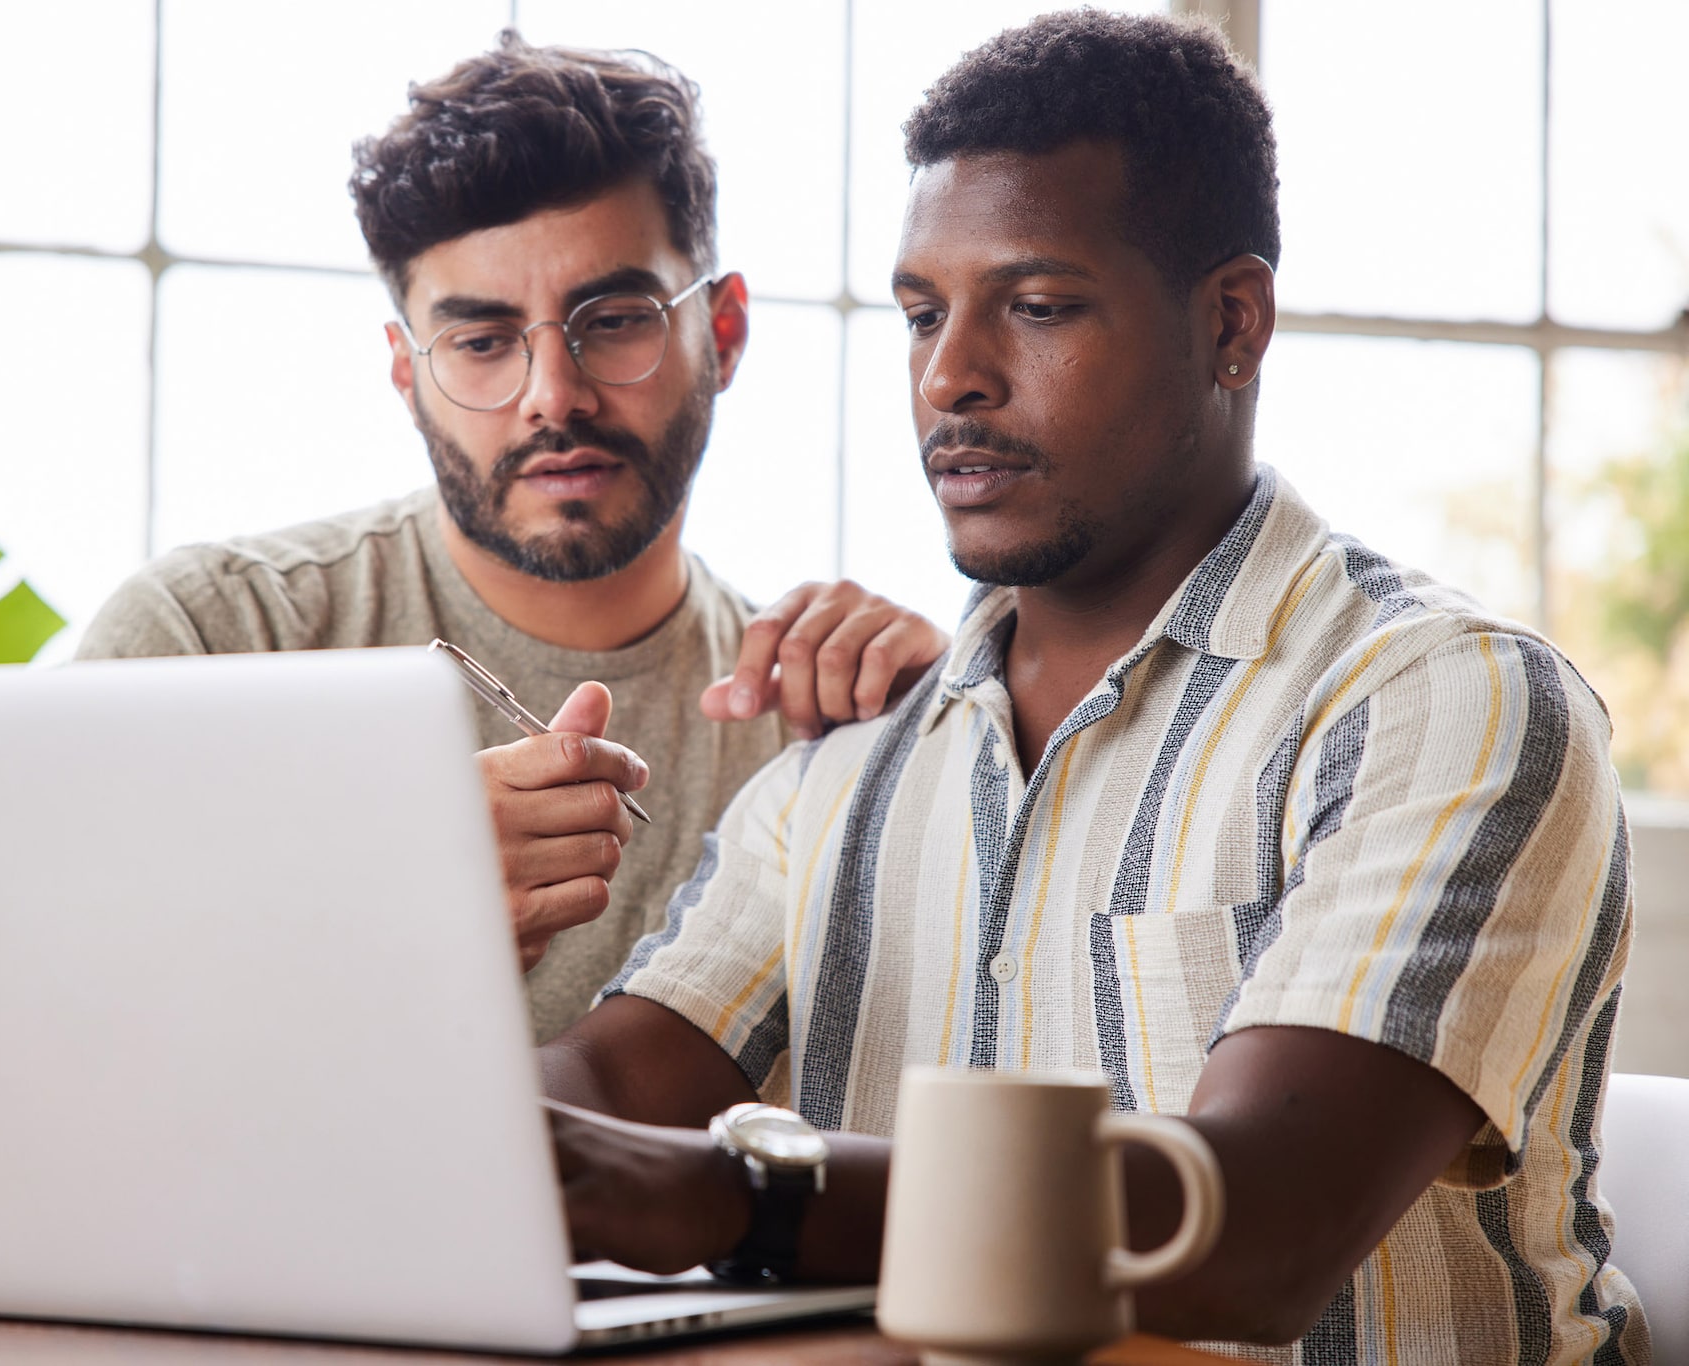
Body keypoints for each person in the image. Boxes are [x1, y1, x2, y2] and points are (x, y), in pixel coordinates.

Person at [539, 11, 1646, 1361]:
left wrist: (734, 1189)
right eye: (923, 314)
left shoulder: (1441, 706)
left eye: (1039, 306)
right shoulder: (848, 765)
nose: (951, 376)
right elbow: (601, 1096)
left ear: (1231, 322)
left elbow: (1248, 1234)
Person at [77, 34, 947, 1043]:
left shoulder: (818, 717)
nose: (552, 397)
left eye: (613, 319)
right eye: (482, 342)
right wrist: (375, 904)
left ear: (721, 333)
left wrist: (954, 722)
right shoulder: (206, 640)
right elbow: (27, 1027)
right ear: (406, 374)